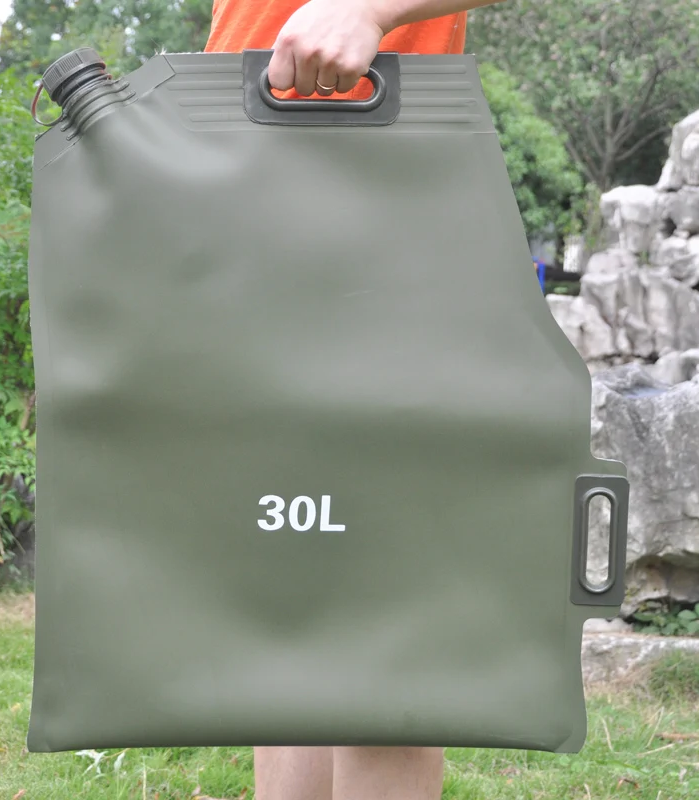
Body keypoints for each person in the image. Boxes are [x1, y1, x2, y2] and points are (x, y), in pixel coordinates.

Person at [204, 1, 504, 798]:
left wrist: (369, 8)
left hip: (383, 171)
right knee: (287, 584)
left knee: (384, 590)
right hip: (240, 173)